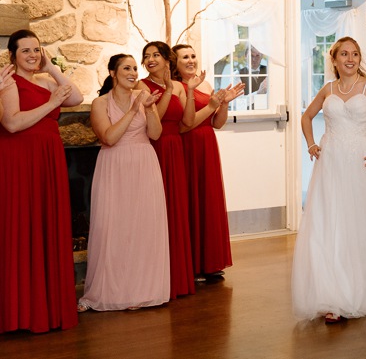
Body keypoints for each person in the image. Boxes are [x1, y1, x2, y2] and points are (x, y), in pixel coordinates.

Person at [292, 36, 366, 324]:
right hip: (330, 165)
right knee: (328, 226)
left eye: (356, 54)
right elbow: (306, 117)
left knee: (357, 225)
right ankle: (331, 292)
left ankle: (358, 288)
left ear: (360, 59)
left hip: (360, 166)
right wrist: (311, 144)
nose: (350, 59)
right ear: (334, 60)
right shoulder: (328, 90)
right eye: (344, 54)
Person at [0, 30, 83, 333]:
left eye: (36, 50)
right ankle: (21, 312)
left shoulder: (46, 81)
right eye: (25, 51)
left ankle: (46, 306)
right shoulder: (9, 83)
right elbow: (11, 123)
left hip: (47, 159)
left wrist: (53, 70)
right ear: (13, 55)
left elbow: (76, 98)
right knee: (23, 226)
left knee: (46, 226)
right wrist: (51, 105)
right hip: (21, 160)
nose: (33, 55)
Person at [78, 54, 170, 311]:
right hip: (114, 167)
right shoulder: (100, 103)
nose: (132, 72)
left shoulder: (143, 101)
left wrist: (149, 108)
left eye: (134, 68)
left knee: (142, 227)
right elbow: (109, 137)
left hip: (144, 164)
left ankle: (142, 290)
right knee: (113, 226)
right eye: (126, 68)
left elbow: (155, 134)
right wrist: (132, 110)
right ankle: (108, 292)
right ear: (112, 73)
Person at [172, 44, 244, 281]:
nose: (191, 60)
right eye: (185, 57)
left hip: (207, 145)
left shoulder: (205, 85)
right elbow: (186, 124)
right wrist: (212, 105)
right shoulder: (176, 88)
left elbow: (217, 123)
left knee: (207, 199)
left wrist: (224, 104)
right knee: (190, 200)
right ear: (175, 63)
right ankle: (191, 264)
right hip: (187, 145)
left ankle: (209, 262)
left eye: (193, 56)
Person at [139, 41, 199, 299]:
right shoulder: (141, 85)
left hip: (176, 150)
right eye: (146, 56)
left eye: (156, 55)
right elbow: (157, 118)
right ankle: (158, 277)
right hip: (155, 147)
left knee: (177, 210)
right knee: (157, 211)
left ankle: (179, 276)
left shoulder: (179, 86)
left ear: (167, 60)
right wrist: (166, 91)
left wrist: (191, 92)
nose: (150, 59)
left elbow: (187, 122)